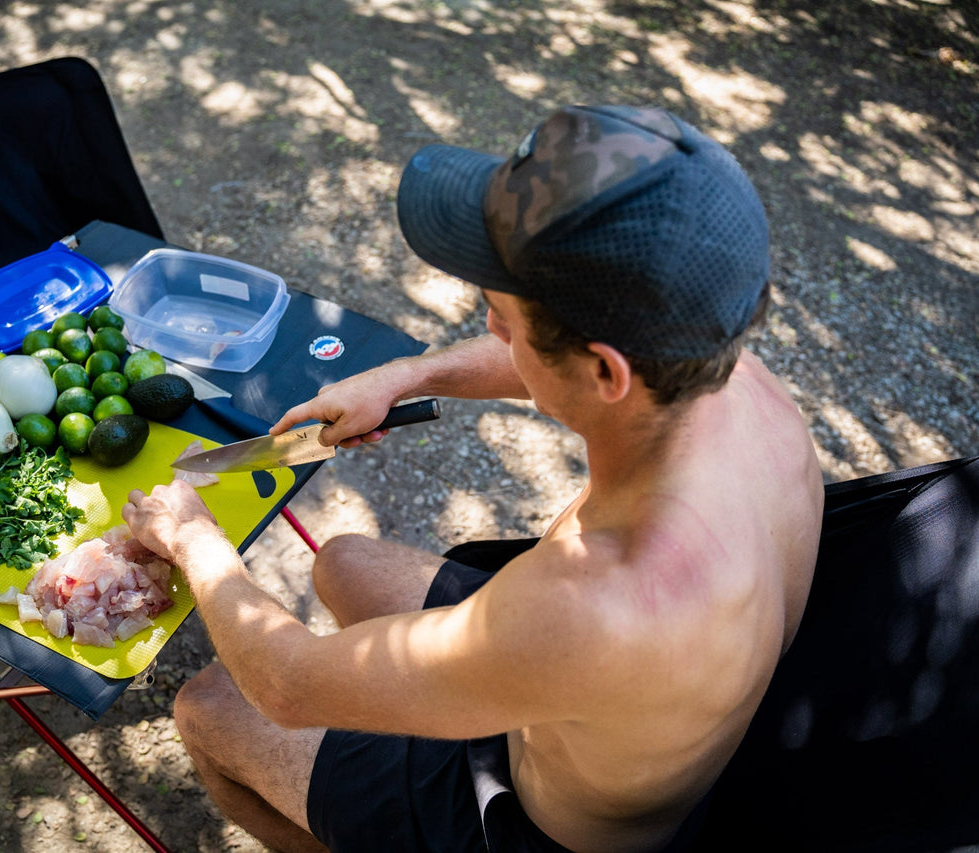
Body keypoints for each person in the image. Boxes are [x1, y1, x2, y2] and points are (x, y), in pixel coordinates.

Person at [121, 104, 824, 852]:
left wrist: (195, 541)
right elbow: (567, 360)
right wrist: (404, 375)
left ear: (604, 368)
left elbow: (286, 685)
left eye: (499, 316)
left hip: (530, 823)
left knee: (206, 707)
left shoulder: (595, 600)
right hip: (589, 701)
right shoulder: (732, 379)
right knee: (343, 562)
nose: (491, 329)